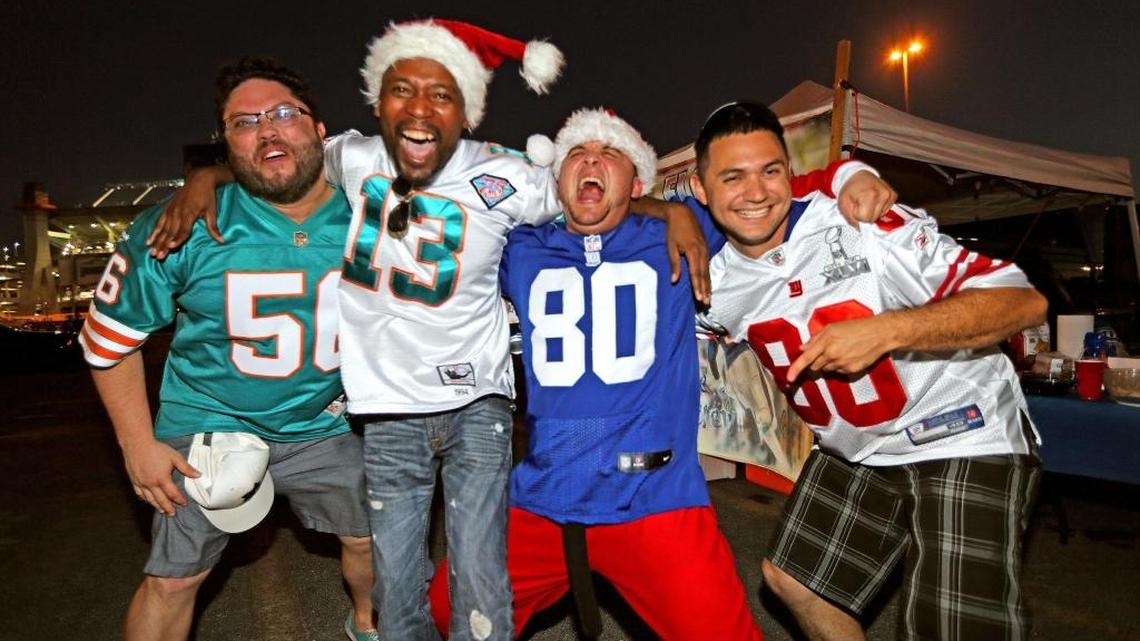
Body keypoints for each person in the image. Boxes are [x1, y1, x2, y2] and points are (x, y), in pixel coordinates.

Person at [426, 108, 896, 641]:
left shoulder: (674, 237)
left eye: (611, 155)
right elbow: (455, 199)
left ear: (637, 178)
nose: (592, 161)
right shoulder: (523, 248)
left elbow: (759, 193)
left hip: (654, 498)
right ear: (556, 179)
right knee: (446, 610)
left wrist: (849, 175)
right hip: (543, 498)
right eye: (577, 154)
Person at [690, 101, 1047, 641]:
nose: (757, 192)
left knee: (946, 627)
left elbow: (1022, 302)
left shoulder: (860, 221)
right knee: (795, 581)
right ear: (701, 189)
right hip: (862, 448)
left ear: (790, 170)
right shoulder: (713, 282)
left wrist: (886, 330)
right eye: (732, 177)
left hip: (963, 427)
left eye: (770, 170)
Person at [79, 57, 377, 641]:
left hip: (324, 420)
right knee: (172, 580)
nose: (267, 130)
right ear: (227, 147)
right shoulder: (184, 226)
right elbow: (110, 338)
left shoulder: (374, 212)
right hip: (208, 422)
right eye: (244, 123)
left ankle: (365, 621)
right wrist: (138, 444)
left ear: (321, 131)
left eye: (284, 113)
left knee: (373, 538)